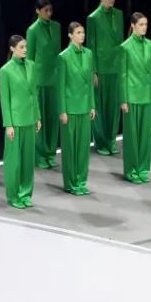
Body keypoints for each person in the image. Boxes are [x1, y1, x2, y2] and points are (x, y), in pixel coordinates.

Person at [0, 35, 40, 208]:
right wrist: (8, 124)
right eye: (21, 47)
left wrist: (37, 116)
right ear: (12, 49)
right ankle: (13, 195)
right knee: (13, 161)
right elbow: (4, 100)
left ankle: (25, 193)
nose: (25, 49)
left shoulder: (31, 65)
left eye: (25, 47)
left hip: (30, 119)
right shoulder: (6, 70)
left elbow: (34, 93)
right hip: (15, 121)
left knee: (27, 161)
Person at [57, 22, 96, 195]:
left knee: (83, 148)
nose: (82, 35)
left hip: (85, 106)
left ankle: (81, 181)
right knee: (70, 148)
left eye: (83, 32)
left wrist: (92, 105)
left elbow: (89, 83)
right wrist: (62, 110)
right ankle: (70, 182)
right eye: (78, 32)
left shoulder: (89, 54)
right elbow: (61, 86)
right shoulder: (63, 57)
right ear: (70, 35)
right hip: (70, 108)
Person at [87, 0, 124, 155]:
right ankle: (101, 142)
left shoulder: (119, 14)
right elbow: (91, 46)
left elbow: (121, 42)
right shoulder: (93, 18)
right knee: (100, 106)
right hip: (101, 68)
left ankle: (111, 140)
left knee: (114, 105)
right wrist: (93, 71)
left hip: (116, 66)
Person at [120, 12, 151, 184]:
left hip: (147, 95)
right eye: (141, 24)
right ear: (133, 26)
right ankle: (131, 170)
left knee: (145, 136)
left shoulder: (150, 44)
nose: (144, 27)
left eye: (146, 24)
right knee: (132, 136)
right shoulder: (125, 47)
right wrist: (123, 99)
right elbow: (123, 75)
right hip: (132, 96)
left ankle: (143, 168)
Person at [26, 0, 61, 168]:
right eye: (45, 10)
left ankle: (50, 153)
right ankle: (39, 155)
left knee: (53, 118)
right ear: (37, 11)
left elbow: (58, 54)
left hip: (54, 79)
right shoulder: (32, 30)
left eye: (50, 10)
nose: (49, 13)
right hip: (39, 80)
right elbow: (29, 58)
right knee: (40, 118)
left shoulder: (57, 27)